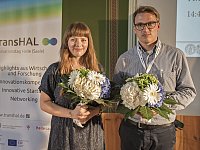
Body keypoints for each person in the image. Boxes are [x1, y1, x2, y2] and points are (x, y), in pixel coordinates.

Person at [113, 6, 196, 150]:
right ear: (134, 29)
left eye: (150, 24)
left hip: (163, 131)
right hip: (132, 130)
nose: (145, 29)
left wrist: (160, 107)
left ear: (158, 25)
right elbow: (116, 94)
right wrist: (132, 106)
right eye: (140, 25)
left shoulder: (175, 56)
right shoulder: (124, 59)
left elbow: (188, 91)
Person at [39, 22, 105, 150]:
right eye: (73, 39)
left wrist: (91, 113)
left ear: (88, 43)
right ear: (66, 42)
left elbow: (104, 104)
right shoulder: (55, 70)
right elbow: (44, 103)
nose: (78, 44)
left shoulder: (98, 70)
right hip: (63, 133)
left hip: (92, 133)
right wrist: (72, 114)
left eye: (83, 40)